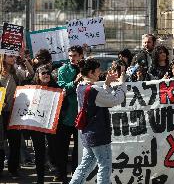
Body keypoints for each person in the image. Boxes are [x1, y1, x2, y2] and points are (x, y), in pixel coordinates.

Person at [69, 58, 126, 184]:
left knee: (85, 166)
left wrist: (106, 84)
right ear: (90, 73)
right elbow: (114, 100)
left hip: (87, 132)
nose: (100, 72)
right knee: (104, 166)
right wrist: (122, 84)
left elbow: (100, 100)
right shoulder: (94, 89)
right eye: (98, 70)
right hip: (98, 133)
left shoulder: (81, 86)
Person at [0, 53, 33, 178]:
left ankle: (13, 169)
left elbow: (31, 74)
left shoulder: (17, 72)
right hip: (0, 114)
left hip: (14, 112)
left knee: (15, 142)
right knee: (0, 142)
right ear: (3, 57)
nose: (13, 58)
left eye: (14, 56)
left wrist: (25, 60)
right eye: (10, 56)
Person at [23, 64, 58, 184]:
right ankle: (40, 178)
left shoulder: (55, 88)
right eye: (43, 73)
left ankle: (56, 170)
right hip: (36, 125)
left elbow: (63, 106)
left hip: (51, 125)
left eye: (48, 73)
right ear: (38, 75)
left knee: (53, 149)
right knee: (39, 152)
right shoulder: (31, 88)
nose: (46, 75)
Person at [54, 45, 84, 182]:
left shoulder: (86, 68)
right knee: (62, 147)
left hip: (82, 115)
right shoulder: (63, 70)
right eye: (70, 55)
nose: (72, 58)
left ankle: (76, 174)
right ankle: (61, 173)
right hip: (66, 115)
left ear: (81, 56)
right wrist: (74, 82)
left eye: (75, 55)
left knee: (79, 149)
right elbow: (62, 88)